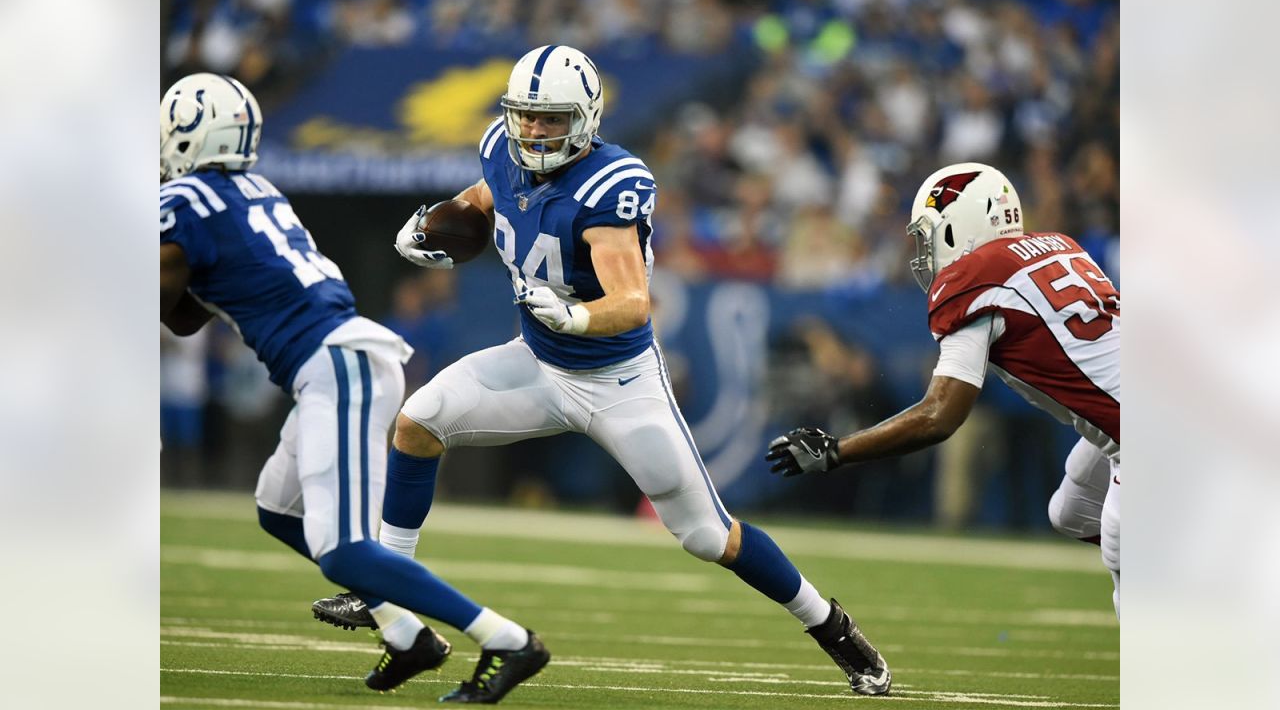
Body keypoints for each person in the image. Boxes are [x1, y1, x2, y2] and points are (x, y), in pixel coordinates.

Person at [310, 45, 893, 698]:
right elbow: (485, 197)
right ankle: (385, 588)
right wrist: (440, 223)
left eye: (550, 119)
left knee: (709, 535)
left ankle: (833, 627)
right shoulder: (500, 150)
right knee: (418, 421)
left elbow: (631, 302)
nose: (532, 131)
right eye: (525, 117)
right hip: (536, 362)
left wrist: (576, 317)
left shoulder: (608, 184)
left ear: (586, 120)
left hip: (619, 383)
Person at [159, 73, 544, 704]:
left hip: (334, 364)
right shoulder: (254, 191)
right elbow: (187, 311)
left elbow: (168, 304)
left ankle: (506, 639)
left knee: (342, 551)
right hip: (341, 358)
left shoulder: (183, 203)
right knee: (278, 509)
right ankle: (404, 632)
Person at [766, 162, 1121, 617]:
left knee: (1120, 544)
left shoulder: (975, 279)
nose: (925, 250)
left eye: (931, 234)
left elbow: (940, 415)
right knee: (1071, 511)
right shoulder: (1060, 245)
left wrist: (837, 450)